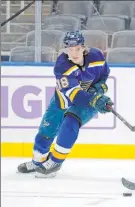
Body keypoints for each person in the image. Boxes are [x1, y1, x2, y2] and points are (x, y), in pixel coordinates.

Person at [17, 31, 113, 178]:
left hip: (86, 102)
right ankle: (38, 162)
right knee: (46, 130)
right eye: (70, 49)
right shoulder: (62, 65)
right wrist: (95, 100)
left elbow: (104, 74)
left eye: (77, 49)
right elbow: (74, 95)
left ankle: (55, 162)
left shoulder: (97, 57)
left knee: (71, 121)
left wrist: (99, 88)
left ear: (83, 47)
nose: (74, 53)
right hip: (62, 100)